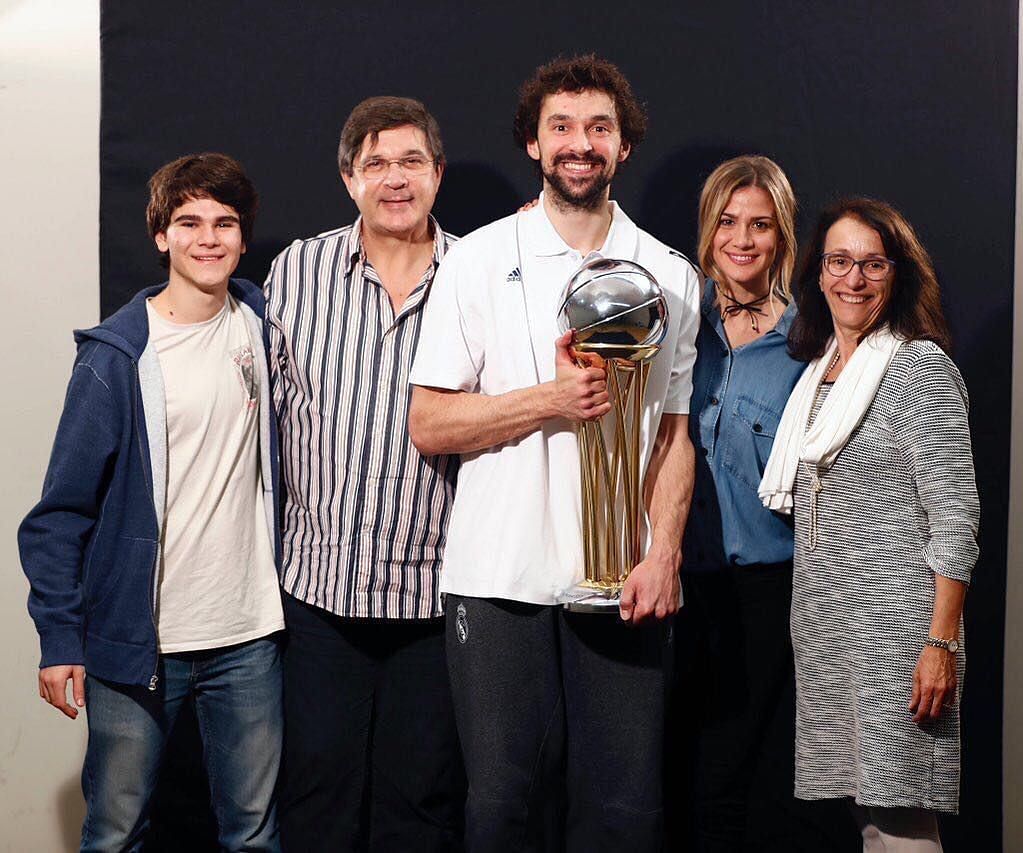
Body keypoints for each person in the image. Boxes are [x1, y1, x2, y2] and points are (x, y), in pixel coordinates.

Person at [408, 55, 701, 851]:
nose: (581, 143)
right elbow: (429, 423)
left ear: (624, 146)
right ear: (533, 146)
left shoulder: (670, 274)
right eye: (561, 128)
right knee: (503, 805)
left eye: (599, 128)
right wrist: (548, 398)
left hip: (624, 578)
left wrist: (664, 550)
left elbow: (673, 433)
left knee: (624, 812)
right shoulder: (475, 260)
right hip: (498, 578)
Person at [19, 152, 285, 851]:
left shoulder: (262, 322)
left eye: (224, 223)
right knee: (114, 832)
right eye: (188, 221)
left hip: (248, 635)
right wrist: (59, 637)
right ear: (161, 234)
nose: (208, 237)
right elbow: (58, 515)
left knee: (254, 833)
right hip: (138, 644)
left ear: (242, 235)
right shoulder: (115, 358)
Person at [264, 96, 463, 852]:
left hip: (434, 599)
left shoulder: (476, 274)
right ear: (349, 178)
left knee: (421, 803)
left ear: (437, 175)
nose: (394, 179)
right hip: (318, 594)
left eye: (411, 161)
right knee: (317, 798)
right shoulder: (297, 271)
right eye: (375, 163)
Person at [760, 198, 980, 852]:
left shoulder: (918, 368)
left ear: (896, 274)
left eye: (871, 263)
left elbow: (955, 518)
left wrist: (939, 644)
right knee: (869, 823)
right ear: (816, 273)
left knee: (901, 823)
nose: (852, 279)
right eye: (838, 261)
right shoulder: (817, 374)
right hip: (830, 634)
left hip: (901, 642)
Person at [679, 155, 813, 850]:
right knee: (663, 772)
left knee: (734, 778)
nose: (742, 239)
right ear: (707, 229)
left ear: (780, 236)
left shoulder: (807, 344)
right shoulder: (673, 321)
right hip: (670, 582)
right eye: (728, 221)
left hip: (764, 589)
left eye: (759, 225)